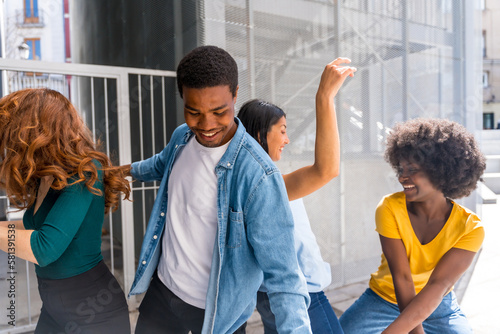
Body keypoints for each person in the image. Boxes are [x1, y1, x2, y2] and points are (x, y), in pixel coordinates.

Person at [128, 45, 311, 334]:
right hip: (162, 293)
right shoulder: (181, 137)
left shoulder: (259, 175)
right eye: (193, 111)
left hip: (217, 316)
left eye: (219, 111)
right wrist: (118, 172)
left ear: (235, 95)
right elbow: (160, 164)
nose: (207, 124)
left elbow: (284, 275)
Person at [238, 58, 356, 334]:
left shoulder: (242, 180)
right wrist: (324, 97)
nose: (287, 139)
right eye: (282, 131)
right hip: (300, 294)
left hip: (266, 292)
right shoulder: (266, 184)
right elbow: (326, 170)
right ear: (259, 134)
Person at [0, 88, 132, 333]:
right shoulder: (50, 175)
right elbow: (33, 227)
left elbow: (44, 248)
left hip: (95, 313)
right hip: (54, 306)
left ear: (36, 131)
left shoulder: (84, 172)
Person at [339, 118, 486, 334]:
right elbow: (402, 277)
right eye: (401, 168)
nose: (402, 177)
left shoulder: (470, 228)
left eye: (413, 169)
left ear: (441, 171)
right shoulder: (389, 207)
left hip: (439, 304)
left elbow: (439, 285)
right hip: (383, 298)